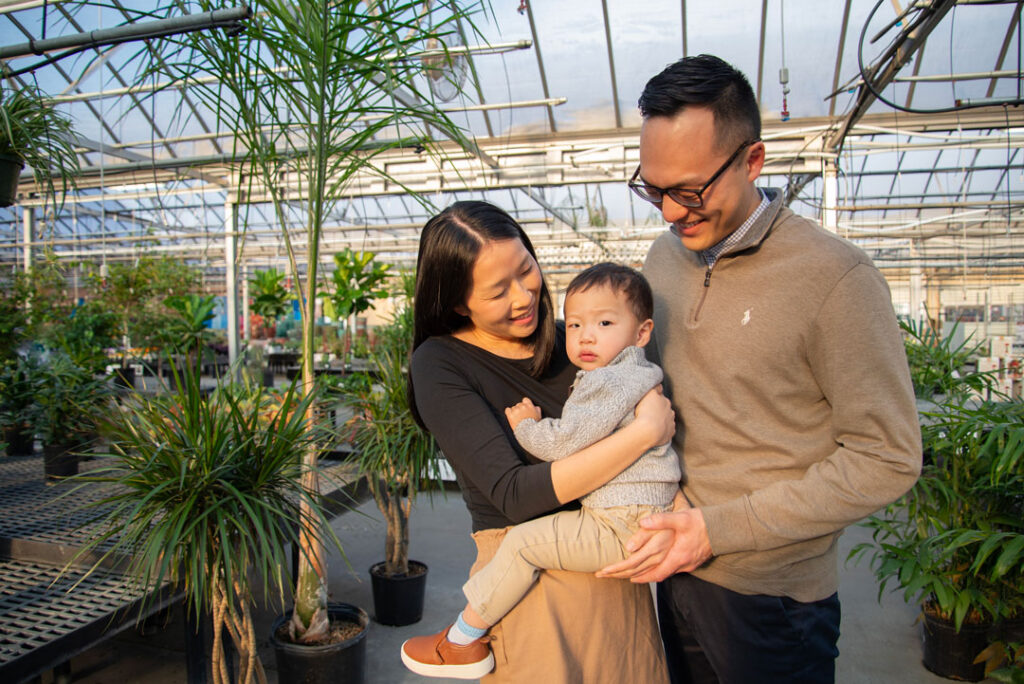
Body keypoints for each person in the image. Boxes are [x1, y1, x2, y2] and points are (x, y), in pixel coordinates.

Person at [597, 54, 923, 684]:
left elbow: (887, 457)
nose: (669, 212)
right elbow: (651, 389)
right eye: (653, 188)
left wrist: (716, 529)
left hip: (774, 597)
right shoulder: (663, 260)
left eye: (690, 190)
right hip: (676, 566)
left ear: (753, 160)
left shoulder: (835, 279)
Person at [406, 202, 674, 683]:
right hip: (527, 584)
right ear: (457, 303)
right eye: (496, 291)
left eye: (525, 269)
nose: (523, 295)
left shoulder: (577, 343)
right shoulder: (441, 363)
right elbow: (514, 495)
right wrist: (644, 435)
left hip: (613, 564)